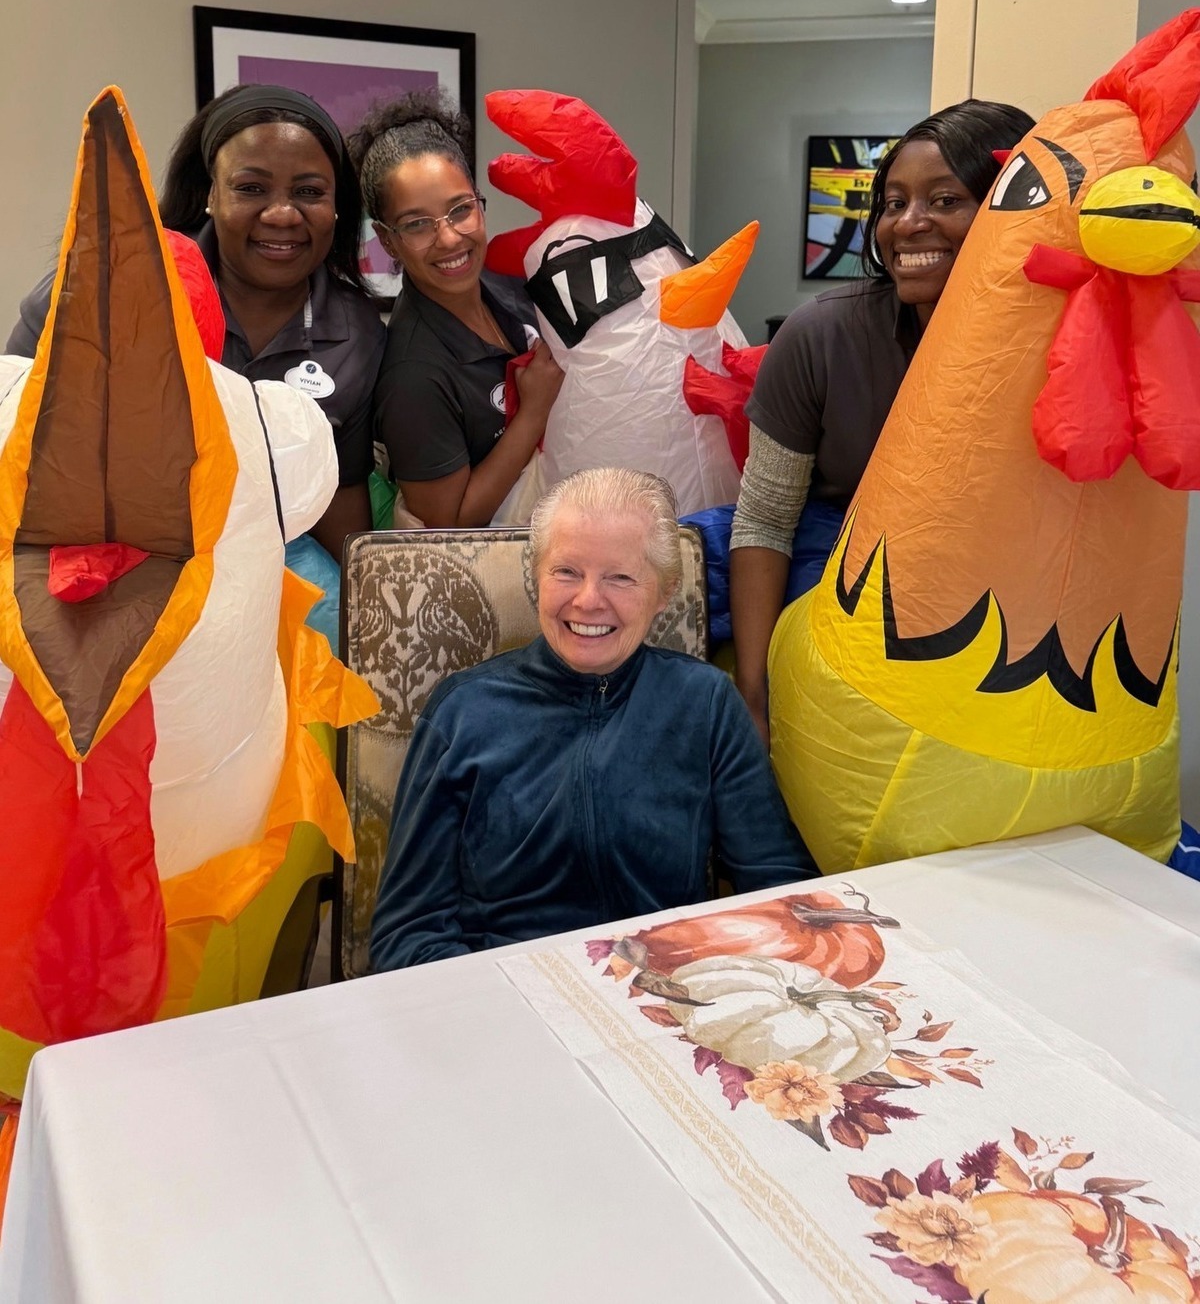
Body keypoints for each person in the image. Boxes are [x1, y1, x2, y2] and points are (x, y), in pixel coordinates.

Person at [370, 467, 815, 970]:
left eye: (620, 577)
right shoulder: (463, 712)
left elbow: (779, 887)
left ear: (664, 592)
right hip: (505, 994)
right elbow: (406, 935)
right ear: (536, 576)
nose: (587, 600)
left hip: (668, 994)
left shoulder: (705, 701)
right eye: (566, 571)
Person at [7, 84, 385, 642]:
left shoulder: (357, 333)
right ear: (210, 193)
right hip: (105, 545)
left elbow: (340, 489)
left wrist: (368, 600)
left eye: (309, 191)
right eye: (251, 188)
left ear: (336, 208)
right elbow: (13, 420)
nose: (281, 214)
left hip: (274, 546)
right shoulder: (114, 278)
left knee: (350, 642)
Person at [730, 99, 1036, 745]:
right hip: (842, 573)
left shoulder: (1063, 346)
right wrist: (754, 701)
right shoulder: (822, 335)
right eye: (894, 204)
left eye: (946, 200)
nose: (910, 223)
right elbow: (764, 521)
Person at [349, 91, 563, 528]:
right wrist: (534, 413)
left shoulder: (508, 284)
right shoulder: (413, 375)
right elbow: (448, 526)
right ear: (387, 239)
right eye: (416, 224)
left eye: (460, 210)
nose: (448, 239)